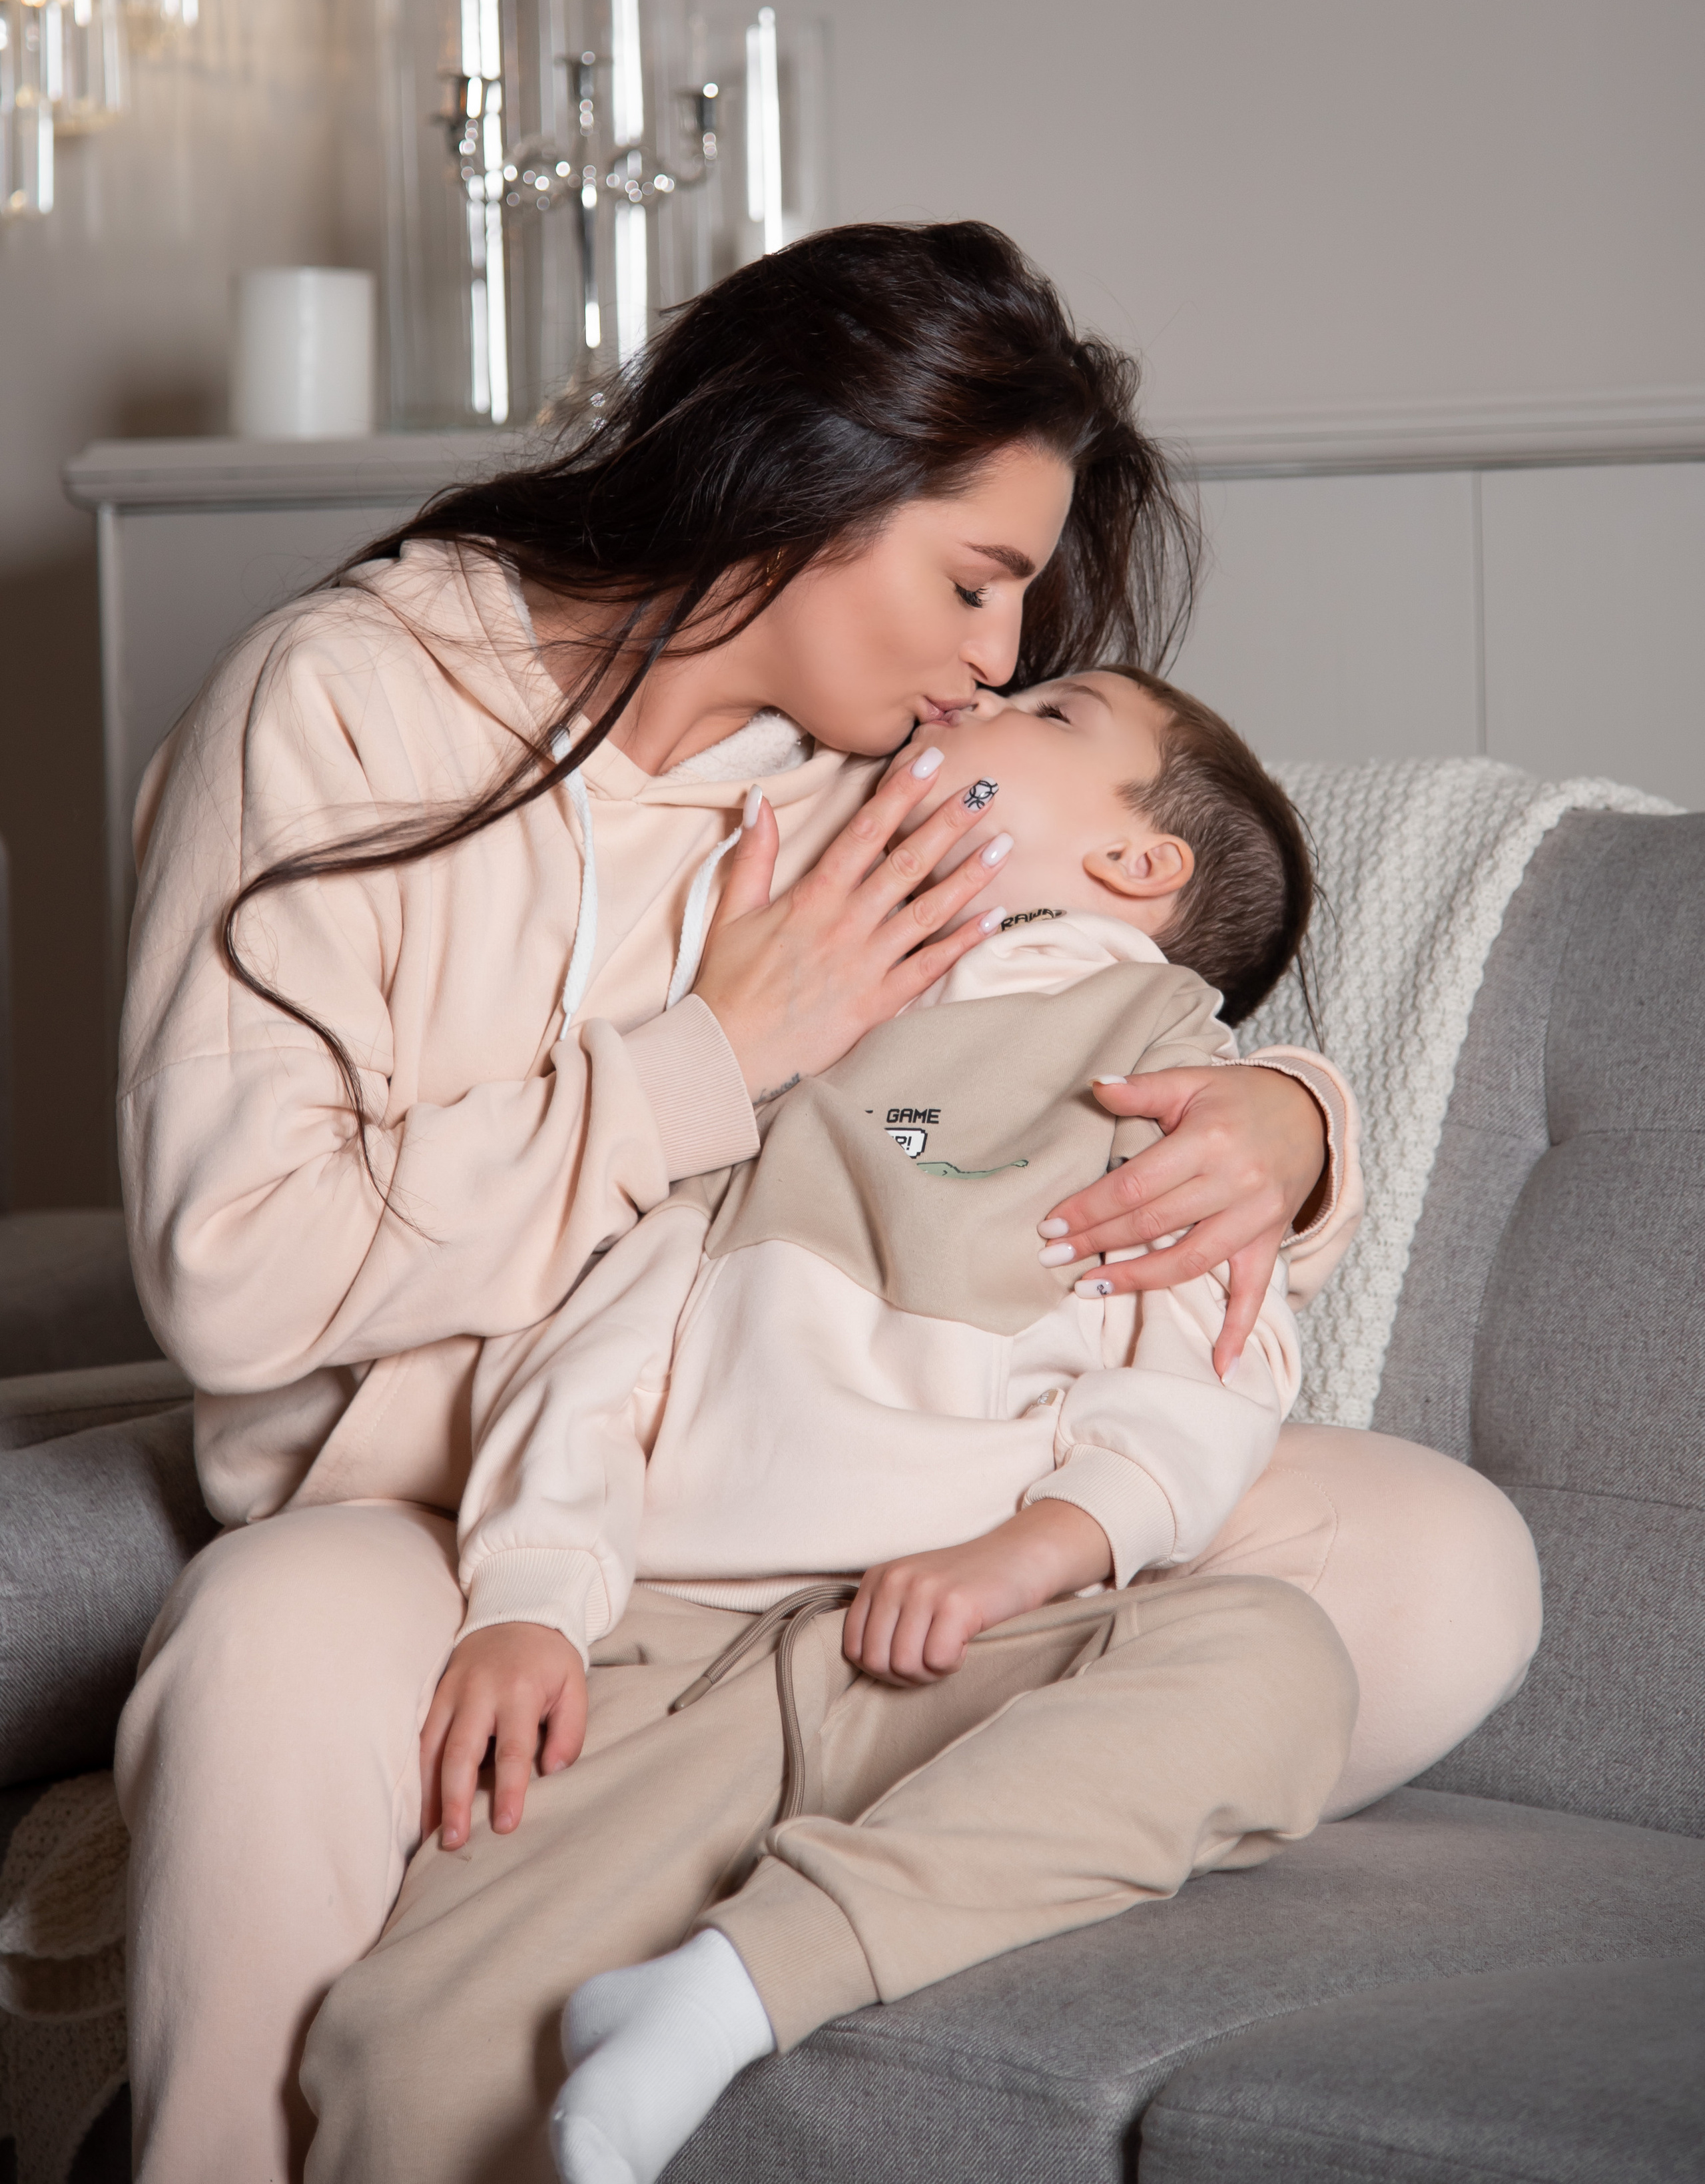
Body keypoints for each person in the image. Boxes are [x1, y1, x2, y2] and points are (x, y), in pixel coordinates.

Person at [112, 222, 1539, 2184]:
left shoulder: (854, 772)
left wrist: (1284, 1124)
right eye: (974, 584)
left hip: (862, 1486)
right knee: (260, 1658)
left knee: (1440, 1561)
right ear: (809, 473)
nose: (993, 666)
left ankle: (756, 1878)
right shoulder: (350, 702)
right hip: (453, 1510)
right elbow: (240, 1279)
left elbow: (1083, 971)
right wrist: (711, 1048)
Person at [299, 661, 1364, 2184]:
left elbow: (1218, 1374)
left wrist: (1030, 1558)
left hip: (970, 1661)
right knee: (401, 2048)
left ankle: (733, 1987)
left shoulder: (1170, 1070)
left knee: (1274, 1659)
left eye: (1049, 714)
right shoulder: (784, 990)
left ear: (1134, 865)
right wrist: (533, 1602)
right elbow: (598, 1339)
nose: (974, 697)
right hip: (675, 1663)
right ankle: (656, 1992)